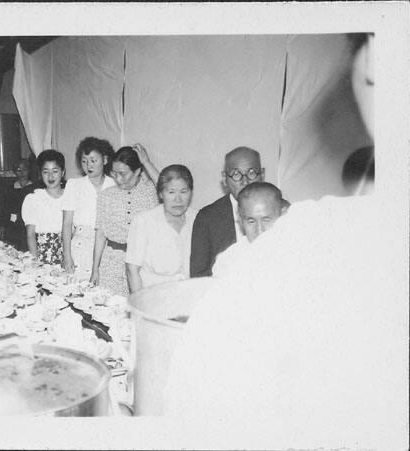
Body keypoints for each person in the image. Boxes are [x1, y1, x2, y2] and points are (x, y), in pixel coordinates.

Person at [164, 34, 407, 449]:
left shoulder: (310, 223)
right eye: (235, 177)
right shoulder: (226, 230)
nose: (259, 228)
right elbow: (206, 282)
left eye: (251, 175)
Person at [91, 145, 159, 296]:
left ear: (137, 171)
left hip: (143, 264)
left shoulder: (150, 191)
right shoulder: (106, 195)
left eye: (122, 173)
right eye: (114, 173)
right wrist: (95, 269)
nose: (117, 178)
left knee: (140, 308)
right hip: (112, 263)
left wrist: (146, 162)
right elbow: (100, 234)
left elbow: (167, 187)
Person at [189, 146, 264, 277]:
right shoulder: (207, 218)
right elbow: (198, 276)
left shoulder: (279, 211)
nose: (245, 181)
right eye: (236, 174)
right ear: (224, 178)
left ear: (262, 175)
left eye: (251, 173)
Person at [125, 165, 197, 292]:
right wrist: (139, 306)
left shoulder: (198, 218)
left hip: (188, 297)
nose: (178, 199)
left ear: (191, 193)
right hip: (153, 297)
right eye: (171, 192)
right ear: (161, 194)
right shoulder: (144, 221)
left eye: (183, 192)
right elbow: (132, 270)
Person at [61, 137, 115, 279]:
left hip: (107, 247)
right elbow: (67, 224)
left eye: (93, 160)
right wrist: (67, 255)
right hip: (80, 246)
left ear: (104, 160)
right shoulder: (74, 185)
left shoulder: (114, 185)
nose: (88, 165)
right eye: (84, 161)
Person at [211, 182, 287, 277]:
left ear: (283, 215)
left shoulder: (297, 253)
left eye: (266, 220)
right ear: (240, 221)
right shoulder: (228, 262)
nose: (259, 230)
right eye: (251, 221)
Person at [21, 149, 66, 265]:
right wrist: (36, 262)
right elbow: (30, 234)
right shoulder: (34, 199)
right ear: (41, 174)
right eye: (46, 172)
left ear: (62, 172)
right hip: (43, 254)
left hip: (69, 253)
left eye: (55, 171)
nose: (50, 176)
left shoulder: (70, 196)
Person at [0, 158, 35, 251]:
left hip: (30, 226)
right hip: (13, 225)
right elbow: (5, 208)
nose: (22, 173)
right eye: (19, 170)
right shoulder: (10, 189)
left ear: (29, 170)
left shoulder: (35, 188)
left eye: (24, 169)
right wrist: (3, 226)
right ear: (15, 172)